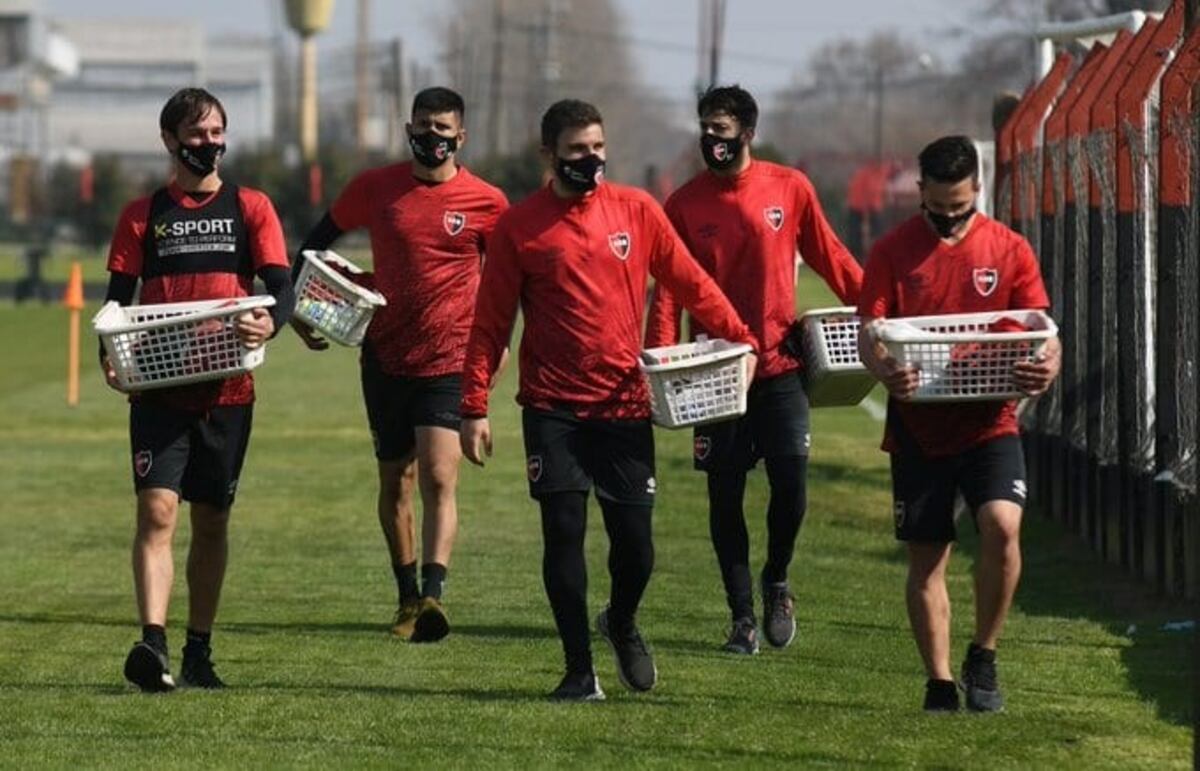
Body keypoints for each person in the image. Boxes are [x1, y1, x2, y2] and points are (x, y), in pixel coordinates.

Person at [459, 99, 759, 701]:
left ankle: (620, 621)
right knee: (563, 532)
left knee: (637, 550)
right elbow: (490, 323)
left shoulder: (637, 209)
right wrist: (473, 405)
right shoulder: (520, 227)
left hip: (623, 405)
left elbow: (690, 281)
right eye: (576, 150)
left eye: (597, 147)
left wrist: (742, 338)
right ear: (549, 155)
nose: (590, 159)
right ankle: (578, 670)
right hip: (552, 407)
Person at [645, 85, 863, 655]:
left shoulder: (789, 188)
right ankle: (741, 616)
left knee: (792, 485)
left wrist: (879, 312)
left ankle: (777, 580)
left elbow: (831, 255)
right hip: (714, 373)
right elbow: (668, 292)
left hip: (780, 364)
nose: (709, 139)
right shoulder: (684, 205)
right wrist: (660, 362)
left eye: (719, 130)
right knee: (725, 497)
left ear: (747, 133)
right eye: (704, 129)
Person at [292, 87, 509, 643]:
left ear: (461, 137)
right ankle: (407, 595)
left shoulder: (488, 202)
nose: (432, 136)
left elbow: (510, 283)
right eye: (423, 126)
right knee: (396, 482)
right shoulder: (374, 188)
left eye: (443, 129)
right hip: (384, 358)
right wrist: (303, 306)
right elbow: (314, 248)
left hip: (450, 358)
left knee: (438, 474)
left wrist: (498, 346)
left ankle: (434, 595)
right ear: (408, 129)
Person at [856, 135, 1060, 712]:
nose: (949, 220)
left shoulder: (1009, 248)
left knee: (1002, 525)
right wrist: (885, 369)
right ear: (921, 191)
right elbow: (869, 332)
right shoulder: (892, 251)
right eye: (938, 207)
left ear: (978, 190)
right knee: (927, 559)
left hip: (989, 419)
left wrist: (1047, 365)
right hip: (919, 428)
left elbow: (1043, 330)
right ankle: (940, 682)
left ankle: (984, 653)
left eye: (960, 208)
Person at [101, 88, 294, 691]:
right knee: (157, 511)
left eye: (216, 132)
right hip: (158, 390)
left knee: (211, 521)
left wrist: (269, 322)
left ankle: (198, 652)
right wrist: (107, 355)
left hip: (228, 392)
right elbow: (116, 301)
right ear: (169, 140)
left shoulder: (251, 207)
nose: (209, 143)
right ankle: (152, 644)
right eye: (196, 133)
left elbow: (282, 290)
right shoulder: (142, 215)